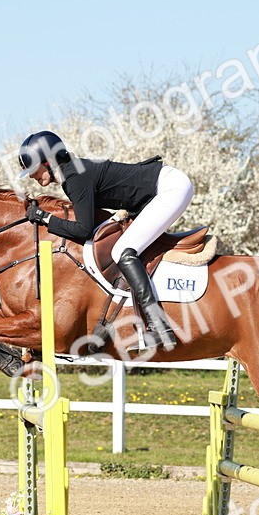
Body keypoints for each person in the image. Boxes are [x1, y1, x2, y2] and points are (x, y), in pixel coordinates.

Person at [17, 130, 193, 350]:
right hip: (161, 189)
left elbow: (83, 230)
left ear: (48, 161)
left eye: (34, 169)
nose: (32, 176)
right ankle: (114, 323)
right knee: (118, 246)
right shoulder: (73, 172)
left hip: (170, 189)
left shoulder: (74, 177)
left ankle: (160, 327)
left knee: (122, 251)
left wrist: (45, 218)